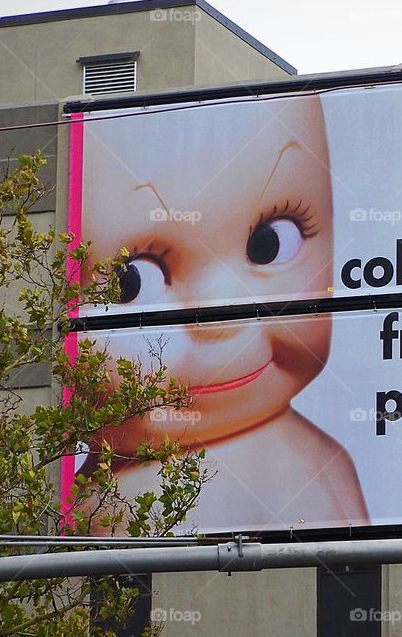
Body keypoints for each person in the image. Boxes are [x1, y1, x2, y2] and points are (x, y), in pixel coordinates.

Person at [76, 94, 368, 533]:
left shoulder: (326, 459)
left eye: (269, 246)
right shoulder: (108, 507)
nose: (223, 318)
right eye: (131, 281)